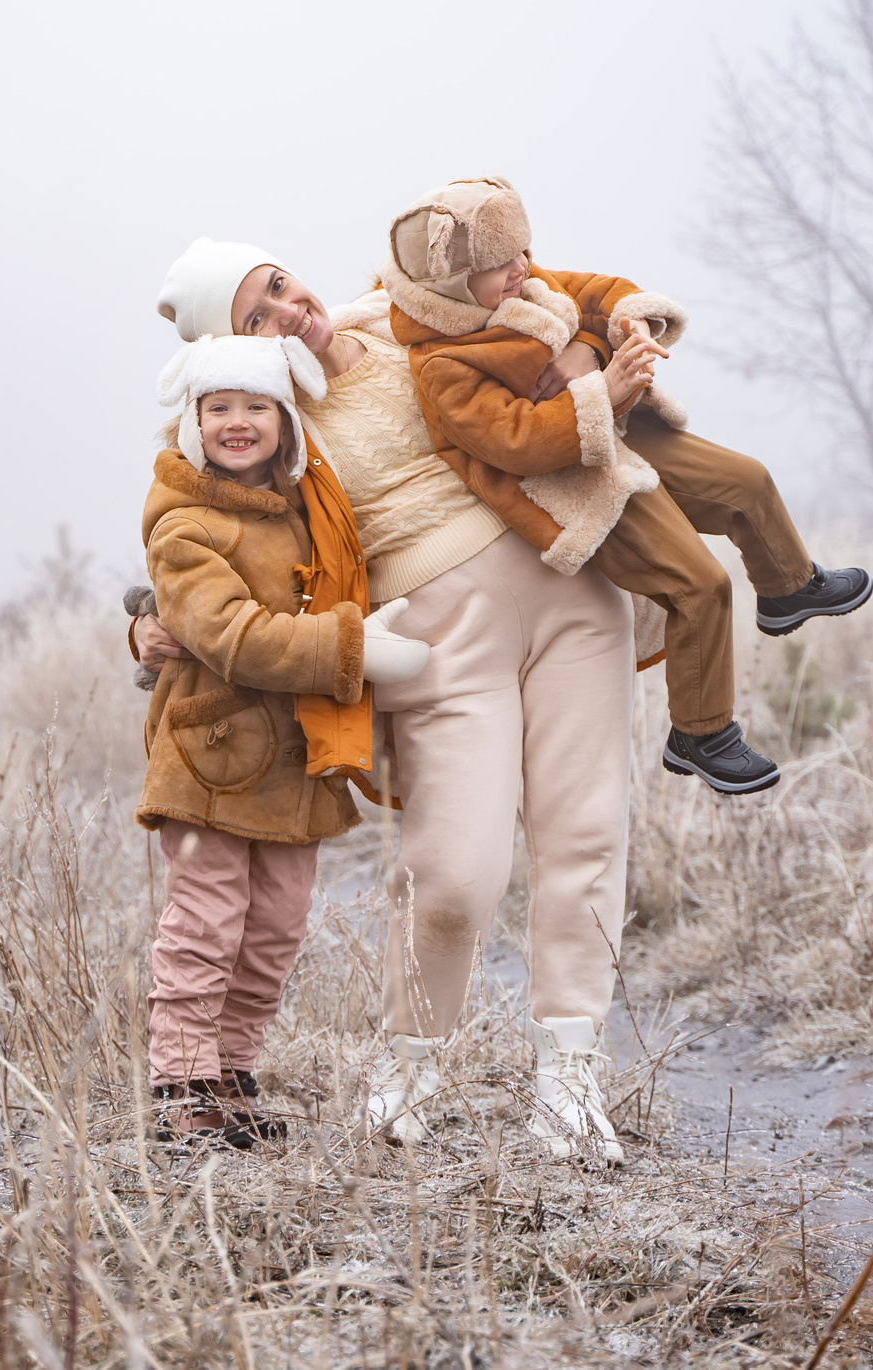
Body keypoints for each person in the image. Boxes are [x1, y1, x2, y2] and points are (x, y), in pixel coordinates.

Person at [143, 237, 637, 1164]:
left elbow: (549, 299)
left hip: (577, 594)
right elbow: (190, 548)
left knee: (585, 834)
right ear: (231, 357)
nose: (288, 311)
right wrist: (147, 626)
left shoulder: (403, 314)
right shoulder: (265, 430)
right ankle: (411, 1066)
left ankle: (570, 1083)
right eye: (257, 317)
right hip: (436, 641)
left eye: (280, 285)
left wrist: (589, 358)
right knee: (454, 873)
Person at [378, 176, 873, 795]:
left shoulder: (530, 284)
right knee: (700, 583)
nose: (522, 269)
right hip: (566, 484)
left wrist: (591, 348)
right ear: (452, 281)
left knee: (747, 481)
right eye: (502, 264)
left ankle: (787, 588)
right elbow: (514, 442)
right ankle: (701, 732)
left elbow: (604, 294)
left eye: (523, 254)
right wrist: (601, 394)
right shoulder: (443, 362)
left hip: (614, 428)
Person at [137, 330, 432, 1145]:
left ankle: (231, 1078)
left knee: (275, 926)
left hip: (300, 756)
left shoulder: (312, 509)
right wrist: (350, 648)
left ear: (285, 420)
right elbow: (229, 634)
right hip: (214, 755)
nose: (238, 422)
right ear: (194, 423)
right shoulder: (186, 525)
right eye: (219, 407)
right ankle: (180, 1088)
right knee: (206, 919)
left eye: (256, 406)